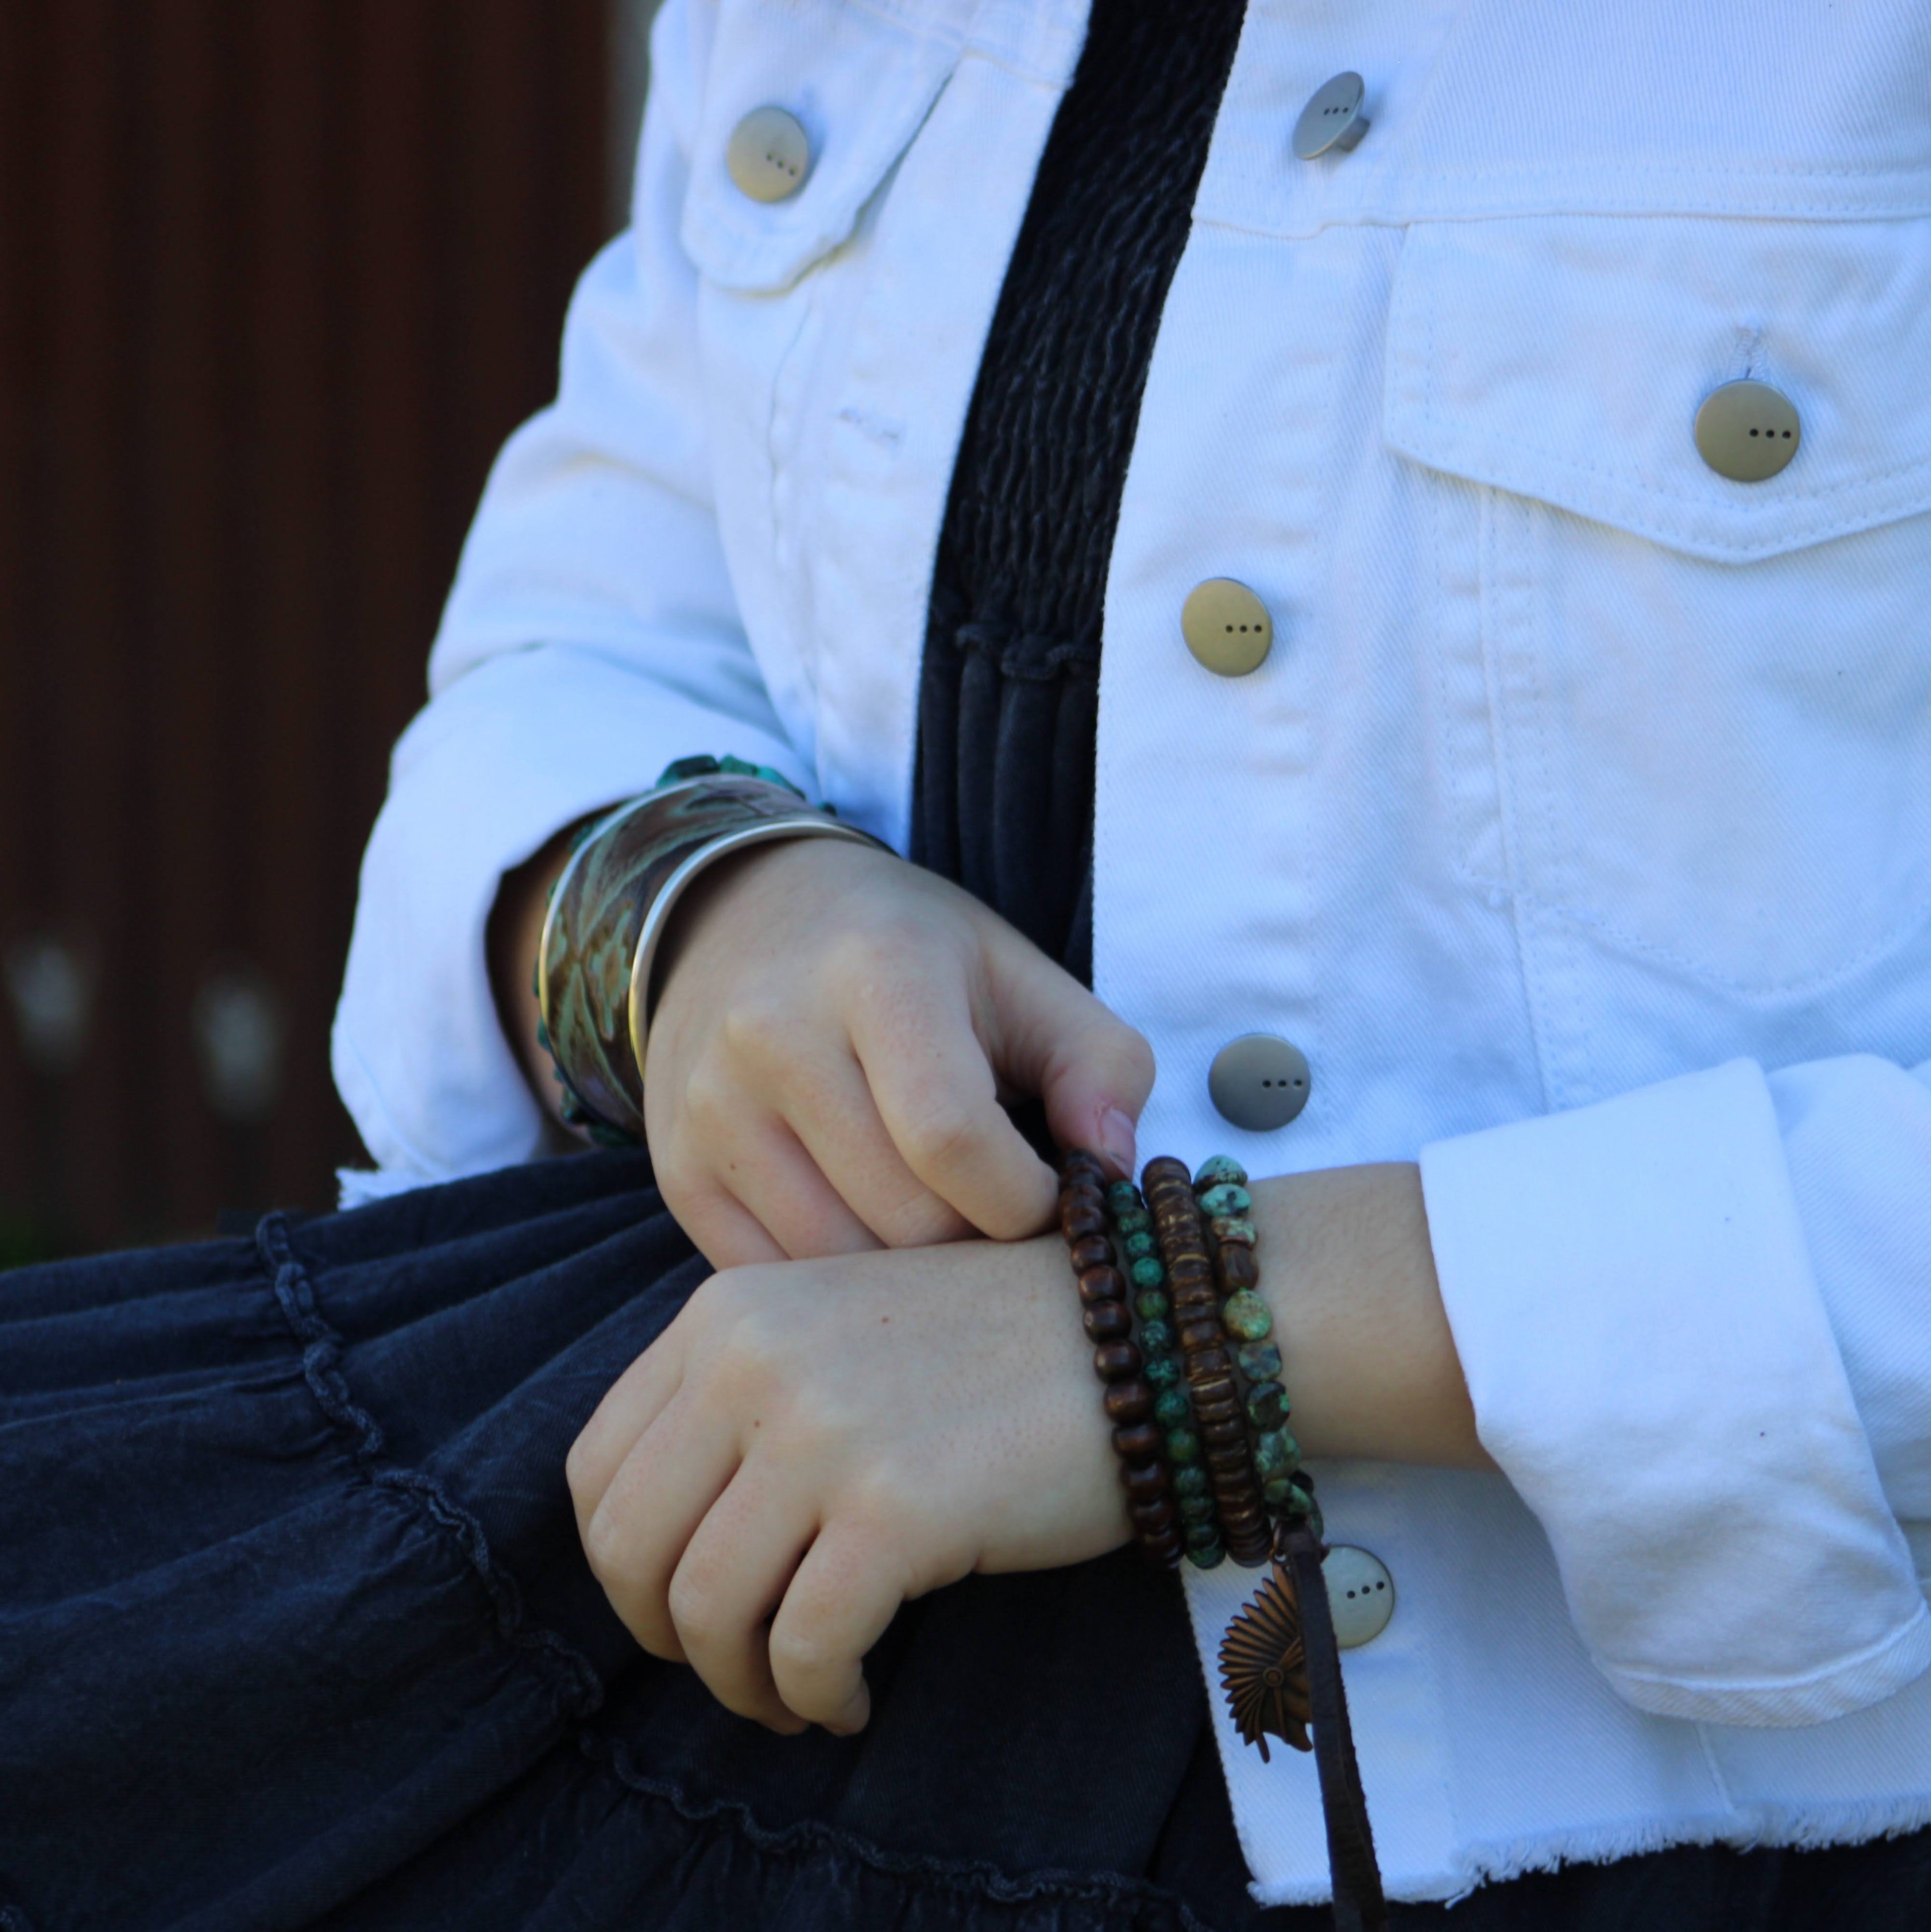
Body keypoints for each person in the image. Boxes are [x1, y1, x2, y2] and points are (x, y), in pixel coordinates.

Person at [5, 0, 1930, 1925]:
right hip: (777, 1555)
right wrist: (702, 904)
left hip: (1693, 1791)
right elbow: (600, 607)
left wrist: (1172, 1339)